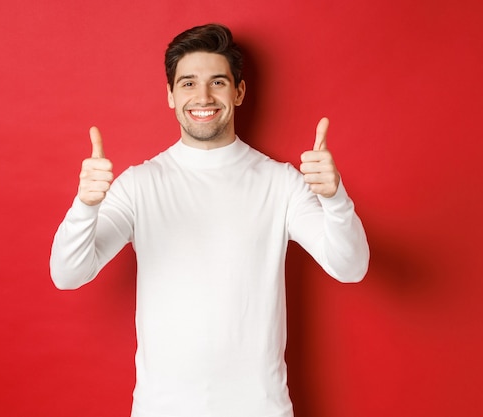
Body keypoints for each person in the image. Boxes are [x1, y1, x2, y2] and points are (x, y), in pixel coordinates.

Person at [50, 23, 369, 417]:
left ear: (238, 92)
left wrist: (334, 197)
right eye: (187, 83)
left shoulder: (281, 183)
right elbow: (67, 274)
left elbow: (350, 267)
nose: (202, 96)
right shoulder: (140, 185)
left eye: (217, 82)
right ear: (170, 95)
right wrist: (85, 206)